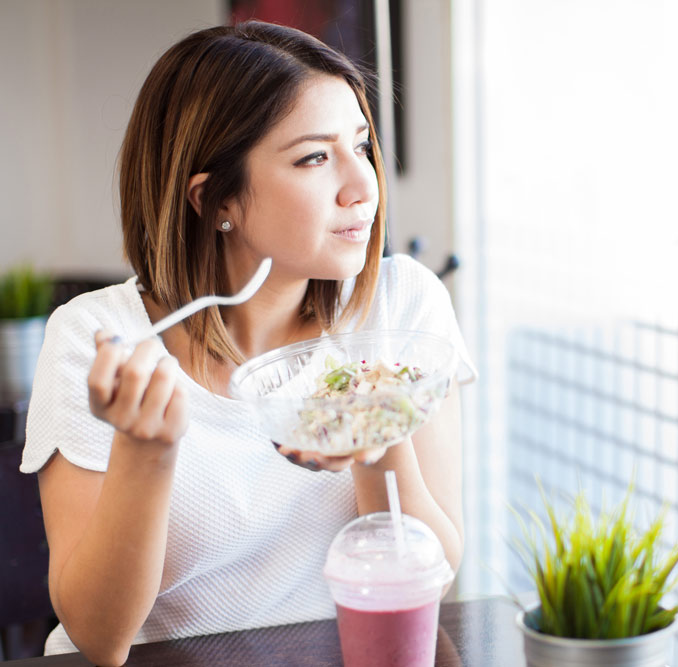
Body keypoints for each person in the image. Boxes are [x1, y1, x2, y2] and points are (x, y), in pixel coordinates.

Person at [20, 20, 475, 666]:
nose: (362, 185)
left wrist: (376, 441)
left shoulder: (403, 308)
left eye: (361, 144)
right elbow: (99, 637)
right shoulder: (101, 341)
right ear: (216, 200)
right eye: (315, 157)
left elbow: (437, 574)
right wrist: (146, 452)